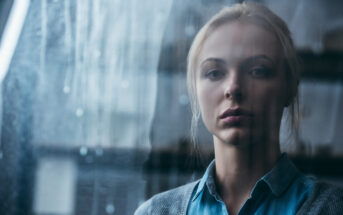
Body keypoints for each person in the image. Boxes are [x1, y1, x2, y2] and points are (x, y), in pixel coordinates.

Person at [135, 2, 343, 215]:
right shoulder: (155, 212)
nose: (233, 88)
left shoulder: (332, 208)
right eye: (214, 72)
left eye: (257, 70)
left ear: (289, 86)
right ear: (194, 90)